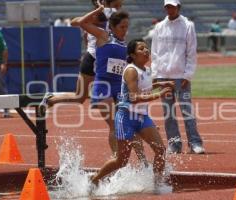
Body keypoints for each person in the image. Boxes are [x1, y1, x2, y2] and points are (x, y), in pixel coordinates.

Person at [40, 2, 147, 163]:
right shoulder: (103, 14)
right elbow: (77, 22)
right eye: (123, 26)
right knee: (81, 98)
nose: (125, 29)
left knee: (125, 120)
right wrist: (97, 11)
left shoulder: (119, 28)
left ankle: (142, 162)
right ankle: (118, 161)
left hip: (109, 68)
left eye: (126, 27)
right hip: (94, 61)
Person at [91, 39, 173, 185]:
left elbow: (145, 84)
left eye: (147, 48)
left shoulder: (146, 70)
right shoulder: (130, 70)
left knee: (160, 150)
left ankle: (157, 185)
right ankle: (94, 180)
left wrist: (161, 84)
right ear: (133, 55)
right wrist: (158, 94)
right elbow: (134, 97)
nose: (146, 51)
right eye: (141, 48)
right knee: (121, 161)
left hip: (142, 117)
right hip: (126, 117)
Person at [151, 0, 205, 154]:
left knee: (186, 111)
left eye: (173, 6)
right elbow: (155, 53)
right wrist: (155, 74)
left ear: (178, 7)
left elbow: (191, 52)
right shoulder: (159, 27)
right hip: (163, 77)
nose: (170, 9)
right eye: (167, 6)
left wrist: (188, 74)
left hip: (181, 77)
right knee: (168, 113)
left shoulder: (188, 25)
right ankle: (174, 144)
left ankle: (195, 143)